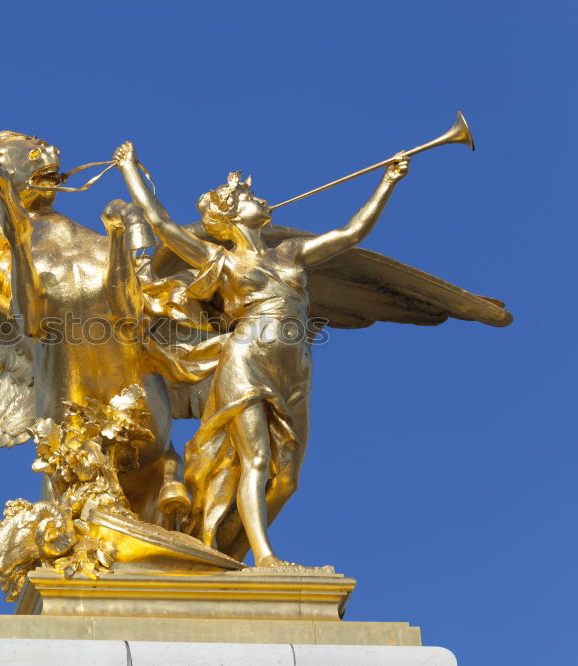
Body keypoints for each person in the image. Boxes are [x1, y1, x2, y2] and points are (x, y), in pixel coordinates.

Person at [114, 141, 409, 565]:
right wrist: (129, 169)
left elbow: (351, 235)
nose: (260, 198)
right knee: (255, 459)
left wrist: (388, 181)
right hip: (247, 361)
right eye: (249, 196)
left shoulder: (289, 253)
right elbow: (161, 224)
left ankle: (224, 552)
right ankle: (266, 559)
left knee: (286, 480)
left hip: (296, 369)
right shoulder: (221, 261)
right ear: (230, 214)